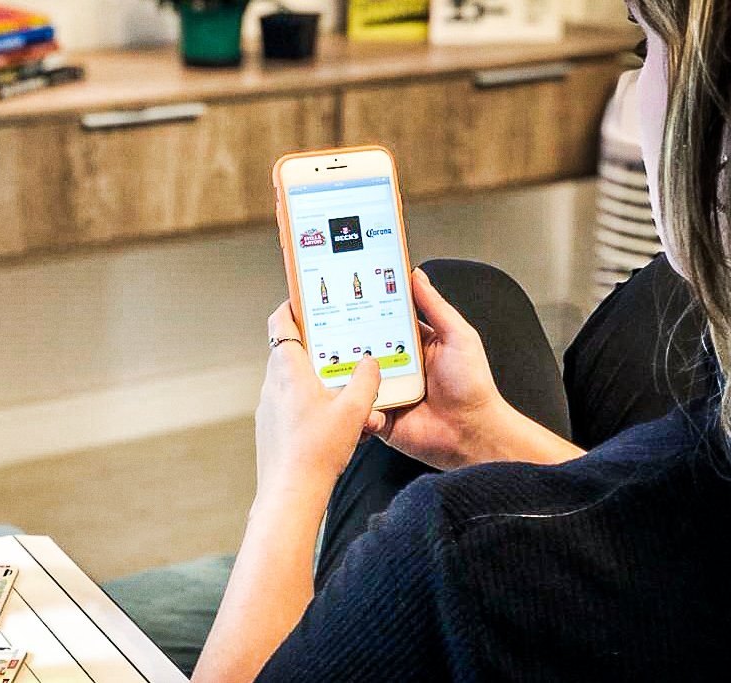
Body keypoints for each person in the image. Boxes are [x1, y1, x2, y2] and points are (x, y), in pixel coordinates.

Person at [188, 0, 731, 680]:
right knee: (488, 292)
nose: (634, 85)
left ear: (710, 115)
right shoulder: (700, 464)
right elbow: (649, 531)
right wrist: (482, 433)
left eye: (644, 50)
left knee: (463, 290)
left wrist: (290, 481)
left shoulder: (457, 547)